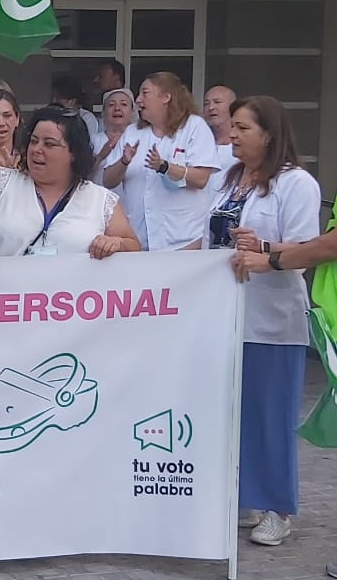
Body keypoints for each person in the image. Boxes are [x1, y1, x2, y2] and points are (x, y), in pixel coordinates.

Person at [208, 96, 320, 546]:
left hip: (272, 320)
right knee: (233, 413)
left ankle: (278, 506)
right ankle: (245, 496)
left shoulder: (297, 184)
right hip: (224, 315)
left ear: (269, 134)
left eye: (242, 128)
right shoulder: (232, 179)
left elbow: (301, 251)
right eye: (232, 127)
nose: (232, 135)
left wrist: (264, 249)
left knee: (270, 414)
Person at [0, 106, 141, 258]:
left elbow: (134, 247)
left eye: (49, 144)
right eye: (34, 141)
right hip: (2, 309)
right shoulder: (0, 183)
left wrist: (116, 243)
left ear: (73, 153)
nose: (37, 149)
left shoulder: (99, 199)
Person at [102, 72, 219, 251]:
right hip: (139, 241)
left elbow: (201, 179)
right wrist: (124, 162)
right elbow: (108, 180)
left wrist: (165, 167)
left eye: (145, 93)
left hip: (183, 241)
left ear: (166, 97)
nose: (138, 100)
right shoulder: (132, 132)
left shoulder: (194, 126)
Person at [92, 88, 136, 187]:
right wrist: (100, 156)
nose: (117, 108)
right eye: (111, 105)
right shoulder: (92, 140)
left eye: (123, 104)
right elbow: (82, 173)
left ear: (132, 112)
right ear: (103, 112)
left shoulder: (138, 141)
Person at [204, 85, 239, 197]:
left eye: (217, 102)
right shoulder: (199, 143)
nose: (211, 107)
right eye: (206, 103)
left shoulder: (242, 144)